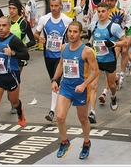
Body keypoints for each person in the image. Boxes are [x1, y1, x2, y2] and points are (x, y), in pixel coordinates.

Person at [50, 21, 99, 159]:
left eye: (75, 32)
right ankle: (65, 142)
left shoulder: (86, 51)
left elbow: (96, 71)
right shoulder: (64, 47)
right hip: (66, 87)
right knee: (59, 116)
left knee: (83, 119)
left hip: (81, 89)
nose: (71, 34)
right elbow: (61, 64)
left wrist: (84, 84)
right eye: (70, 31)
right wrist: (55, 80)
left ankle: (86, 143)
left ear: (81, 33)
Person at [0, 17, 30, 142]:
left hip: (11, 75)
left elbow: (26, 55)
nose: (1, 28)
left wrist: (12, 53)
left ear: (9, 26)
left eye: (4, 25)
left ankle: (19, 111)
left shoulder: (14, 40)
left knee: (14, 102)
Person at [86, 2, 128, 124]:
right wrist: (89, 44)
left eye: (103, 11)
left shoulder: (114, 27)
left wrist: (114, 44)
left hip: (109, 60)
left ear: (108, 12)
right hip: (96, 60)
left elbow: (124, 42)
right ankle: (92, 112)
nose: (101, 14)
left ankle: (113, 97)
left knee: (111, 85)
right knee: (93, 86)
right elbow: (92, 38)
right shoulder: (93, 25)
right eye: (98, 12)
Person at [34, 0, 73, 121]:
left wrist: (68, 46)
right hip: (48, 55)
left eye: (56, 6)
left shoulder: (67, 20)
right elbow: (36, 33)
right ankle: (61, 104)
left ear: (60, 6)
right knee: (54, 81)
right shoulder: (44, 19)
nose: (54, 8)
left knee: (55, 80)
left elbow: (73, 36)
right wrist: (39, 38)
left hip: (61, 56)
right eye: (51, 6)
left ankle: (52, 111)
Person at [7, 0, 36, 113]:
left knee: (14, 79)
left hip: (18, 56)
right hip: (6, 55)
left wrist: (24, 47)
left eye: (14, 8)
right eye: (9, 8)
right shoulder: (6, 21)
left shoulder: (23, 23)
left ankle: (14, 104)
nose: (11, 11)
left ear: (18, 9)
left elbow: (33, 40)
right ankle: (12, 96)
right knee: (7, 79)